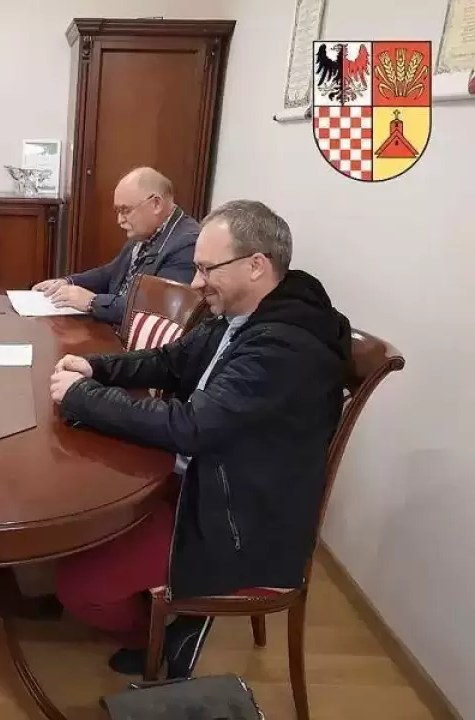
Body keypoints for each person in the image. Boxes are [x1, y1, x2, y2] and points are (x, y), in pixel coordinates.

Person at [47, 200, 352, 678]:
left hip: (237, 518)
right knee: (76, 509)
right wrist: (96, 368)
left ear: (256, 265)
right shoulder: (245, 314)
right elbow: (170, 361)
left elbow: (191, 426)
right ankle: (167, 615)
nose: (194, 283)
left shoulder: (284, 346)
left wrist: (84, 398)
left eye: (208, 269)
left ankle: (162, 638)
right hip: (209, 479)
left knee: (79, 585)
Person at [32, 167, 198, 325]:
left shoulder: (187, 244)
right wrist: (68, 282)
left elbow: (156, 310)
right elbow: (111, 273)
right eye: (118, 211)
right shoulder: (145, 232)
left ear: (156, 204)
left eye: (125, 210)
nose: (120, 220)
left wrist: (92, 302)